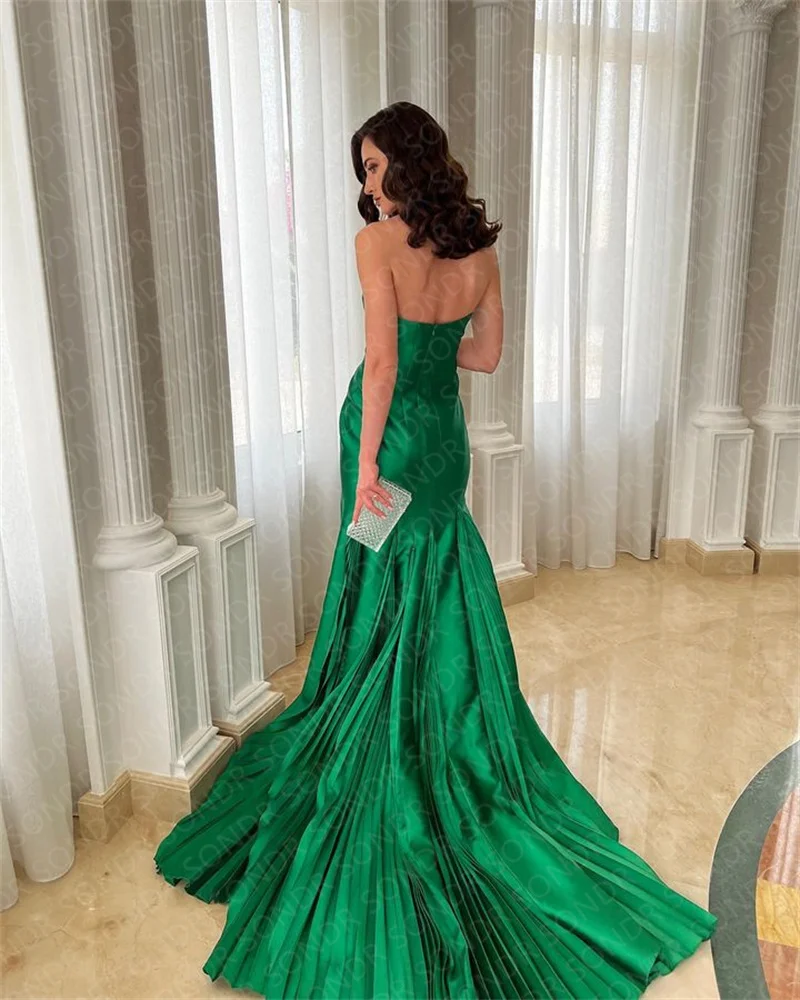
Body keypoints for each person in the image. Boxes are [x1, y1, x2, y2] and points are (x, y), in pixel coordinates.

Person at [154, 101, 718, 999]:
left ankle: (381, 707)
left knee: (380, 570)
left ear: (409, 165)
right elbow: (485, 359)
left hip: (390, 440)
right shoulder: (480, 252)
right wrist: (436, 351)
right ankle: (447, 712)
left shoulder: (376, 244)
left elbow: (380, 366)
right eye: (364, 169)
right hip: (445, 443)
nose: (367, 184)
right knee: (438, 571)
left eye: (376, 166)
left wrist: (367, 464)